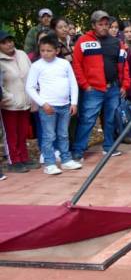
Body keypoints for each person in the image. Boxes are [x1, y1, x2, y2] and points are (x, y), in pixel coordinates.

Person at [71, 10, 131, 160]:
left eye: (106, 24)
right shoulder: (83, 41)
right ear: (93, 25)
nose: (104, 27)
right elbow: (76, 65)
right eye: (100, 24)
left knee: (110, 119)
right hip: (93, 89)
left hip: (113, 88)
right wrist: (85, 85)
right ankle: (78, 150)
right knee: (87, 120)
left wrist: (124, 85)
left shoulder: (117, 42)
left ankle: (109, 147)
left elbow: (124, 65)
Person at [24, 34, 82, 175]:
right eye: (43, 50)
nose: (45, 53)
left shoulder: (64, 64)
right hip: (48, 107)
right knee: (49, 135)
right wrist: (43, 104)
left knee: (63, 134)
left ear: (57, 50)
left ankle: (66, 160)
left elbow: (73, 84)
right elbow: (30, 87)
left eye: (49, 50)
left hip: (65, 105)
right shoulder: (37, 66)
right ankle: (49, 163)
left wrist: (73, 102)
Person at [0, 30, 37, 173]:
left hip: (25, 101)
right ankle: (13, 161)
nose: (9, 44)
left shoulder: (21, 54)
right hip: (9, 104)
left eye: (10, 40)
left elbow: (31, 74)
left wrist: (32, 96)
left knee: (22, 132)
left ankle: (24, 158)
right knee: (11, 133)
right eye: (4, 42)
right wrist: (8, 98)